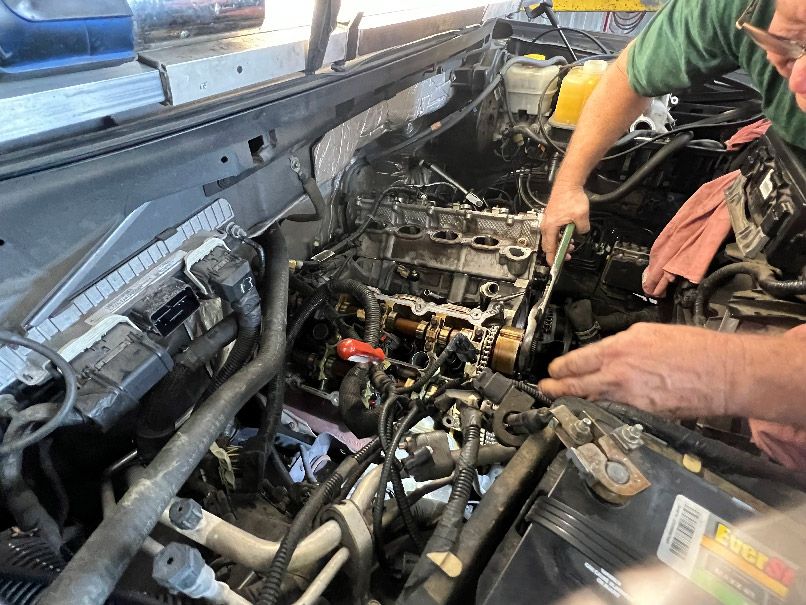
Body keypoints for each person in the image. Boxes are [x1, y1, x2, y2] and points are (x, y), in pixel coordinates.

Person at [537, 0, 806, 460]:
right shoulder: (738, 6)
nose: (798, 80)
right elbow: (629, 75)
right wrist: (567, 186)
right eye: (792, 43)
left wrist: (732, 372)